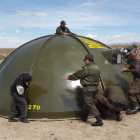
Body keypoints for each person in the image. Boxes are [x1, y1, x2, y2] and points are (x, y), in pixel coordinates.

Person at [64, 54, 103, 126]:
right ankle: (84, 117)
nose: (84, 61)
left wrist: (69, 77)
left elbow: (77, 75)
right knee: (89, 103)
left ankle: (99, 120)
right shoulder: (97, 67)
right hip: (95, 88)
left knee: (90, 103)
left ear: (88, 60)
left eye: (85, 60)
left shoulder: (86, 68)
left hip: (88, 88)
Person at [121, 47, 140, 115]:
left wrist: (127, 70)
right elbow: (133, 66)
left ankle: (133, 108)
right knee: (137, 92)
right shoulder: (135, 56)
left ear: (133, 52)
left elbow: (137, 70)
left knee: (131, 92)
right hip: (137, 77)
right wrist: (128, 68)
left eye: (130, 53)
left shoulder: (137, 59)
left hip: (138, 77)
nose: (129, 55)